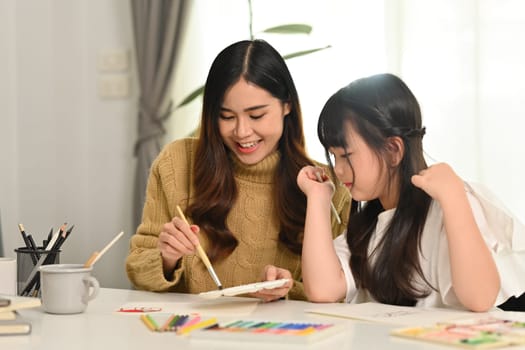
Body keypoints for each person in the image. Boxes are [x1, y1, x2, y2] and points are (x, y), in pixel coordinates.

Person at [126, 39, 350, 301]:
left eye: (256, 116)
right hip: (190, 337)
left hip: (280, 339)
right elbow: (138, 270)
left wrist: (288, 288)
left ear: (286, 105)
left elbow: (341, 293)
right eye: (227, 116)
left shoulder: (324, 186)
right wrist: (167, 257)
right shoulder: (176, 163)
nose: (242, 132)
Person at [297, 73, 525, 311]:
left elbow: (480, 299)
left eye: (345, 155)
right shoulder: (369, 227)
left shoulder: (450, 201)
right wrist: (318, 198)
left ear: (393, 150)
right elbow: (323, 289)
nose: (338, 169)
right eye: (333, 156)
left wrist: (455, 199)